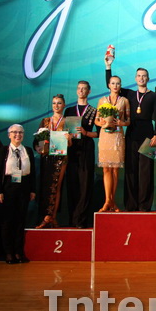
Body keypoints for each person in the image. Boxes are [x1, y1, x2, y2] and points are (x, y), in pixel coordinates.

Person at [105, 49, 156, 212]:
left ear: (148, 78)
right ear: (135, 78)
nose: (141, 78)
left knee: (146, 171)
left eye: (144, 76)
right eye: (139, 76)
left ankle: (144, 205)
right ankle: (131, 204)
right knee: (131, 170)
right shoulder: (129, 94)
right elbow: (110, 84)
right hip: (131, 134)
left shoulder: (154, 96)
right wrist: (108, 67)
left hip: (148, 135)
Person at [0, 124, 36, 264]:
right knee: (7, 221)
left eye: (20, 132)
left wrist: (32, 190)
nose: (17, 135)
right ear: (9, 135)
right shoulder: (3, 150)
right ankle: (8, 252)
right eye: (14, 132)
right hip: (8, 187)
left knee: (20, 220)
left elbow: (32, 172)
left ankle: (18, 252)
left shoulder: (28, 150)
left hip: (24, 187)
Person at [64, 80, 98, 228]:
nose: (81, 91)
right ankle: (72, 218)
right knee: (72, 183)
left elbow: (99, 133)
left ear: (89, 91)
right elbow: (63, 130)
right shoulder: (69, 110)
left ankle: (81, 220)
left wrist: (86, 133)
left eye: (84, 89)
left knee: (85, 184)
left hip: (86, 148)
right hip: (72, 148)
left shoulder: (93, 110)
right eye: (79, 88)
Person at [35, 94, 72, 228]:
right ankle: (45, 216)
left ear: (64, 105)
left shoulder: (68, 121)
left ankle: (52, 216)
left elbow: (71, 144)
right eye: (54, 103)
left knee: (56, 186)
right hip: (46, 157)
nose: (56, 106)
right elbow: (38, 141)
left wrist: (69, 139)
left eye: (59, 103)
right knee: (45, 185)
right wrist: (39, 148)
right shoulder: (45, 121)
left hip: (61, 158)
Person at [95, 75, 130, 212]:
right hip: (105, 136)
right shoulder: (102, 100)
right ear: (109, 85)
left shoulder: (124, 101)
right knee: (106, 169)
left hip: (117, 136)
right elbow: (96, 120)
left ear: (120, 86)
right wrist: (102, 123)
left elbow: (128, 120)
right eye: (113, 83)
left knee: (115, 169)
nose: (115, 86)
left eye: (118, 83)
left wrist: (122, 123)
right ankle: (107, 201)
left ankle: (112, 201)